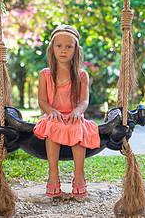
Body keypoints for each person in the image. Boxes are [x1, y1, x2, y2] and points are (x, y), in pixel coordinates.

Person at [33, 25, 100, 198]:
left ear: (76, 50)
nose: (63, 50)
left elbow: (84, 101)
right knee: (53, 129)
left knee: (78, 130)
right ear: (52, 49)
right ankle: (53, 175)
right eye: (59, 46)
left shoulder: (81, 75)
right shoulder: (45, 74)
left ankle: (79, 175)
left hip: (73, 116)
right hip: (53, 116)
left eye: (69, 47)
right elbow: (42, 101)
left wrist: (78, 111)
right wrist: (51, 110)